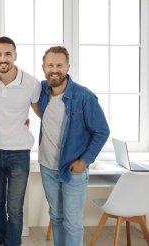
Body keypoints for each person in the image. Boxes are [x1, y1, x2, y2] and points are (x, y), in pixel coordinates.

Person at [38, 46, 110, 246]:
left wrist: (84, 161)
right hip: (46, 167)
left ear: (68, 67)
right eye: (50, 65)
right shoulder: (42, 90)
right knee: (57, 217)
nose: (55, 69)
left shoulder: (84, 97)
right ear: (43, 67)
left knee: (73, 223)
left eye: (59, 65)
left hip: (73, 169)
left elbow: (102, 131)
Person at [0, 36, 41, 246]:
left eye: (8, 54)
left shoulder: (31, 83)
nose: (3, 58)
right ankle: (1, 242)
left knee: (14, 207)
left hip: (19, 153)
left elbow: (42, 112)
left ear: (15, 55)